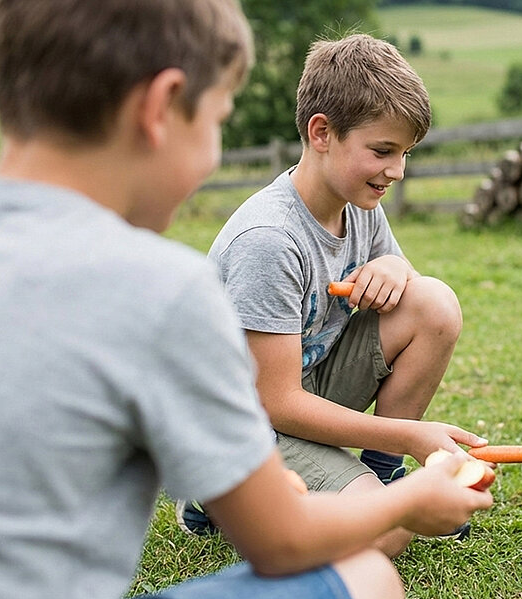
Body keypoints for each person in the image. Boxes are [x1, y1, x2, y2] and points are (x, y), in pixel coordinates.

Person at [0, 2, 493, 599]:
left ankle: (303, 483)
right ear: (161, 107)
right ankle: (238, 497)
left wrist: (395, 267)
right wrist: (414, 497)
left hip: (287, 403)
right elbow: (283, 539)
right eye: (218, 118)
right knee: (371, 570)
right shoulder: (167, 285)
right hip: (272, 414)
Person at [192, 33, 487, 556]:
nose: (397, 170)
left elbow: (413, 303)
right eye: (383, 151)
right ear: (322, 132)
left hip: (306, 388)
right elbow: (275, 402)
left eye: (406, 154)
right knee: (383, 538)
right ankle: (217, 494)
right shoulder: (269, 241)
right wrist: (411, 435)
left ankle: (380, 475)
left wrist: (395, 266)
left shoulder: (360, 206)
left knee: (435, 302)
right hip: (247, 422)